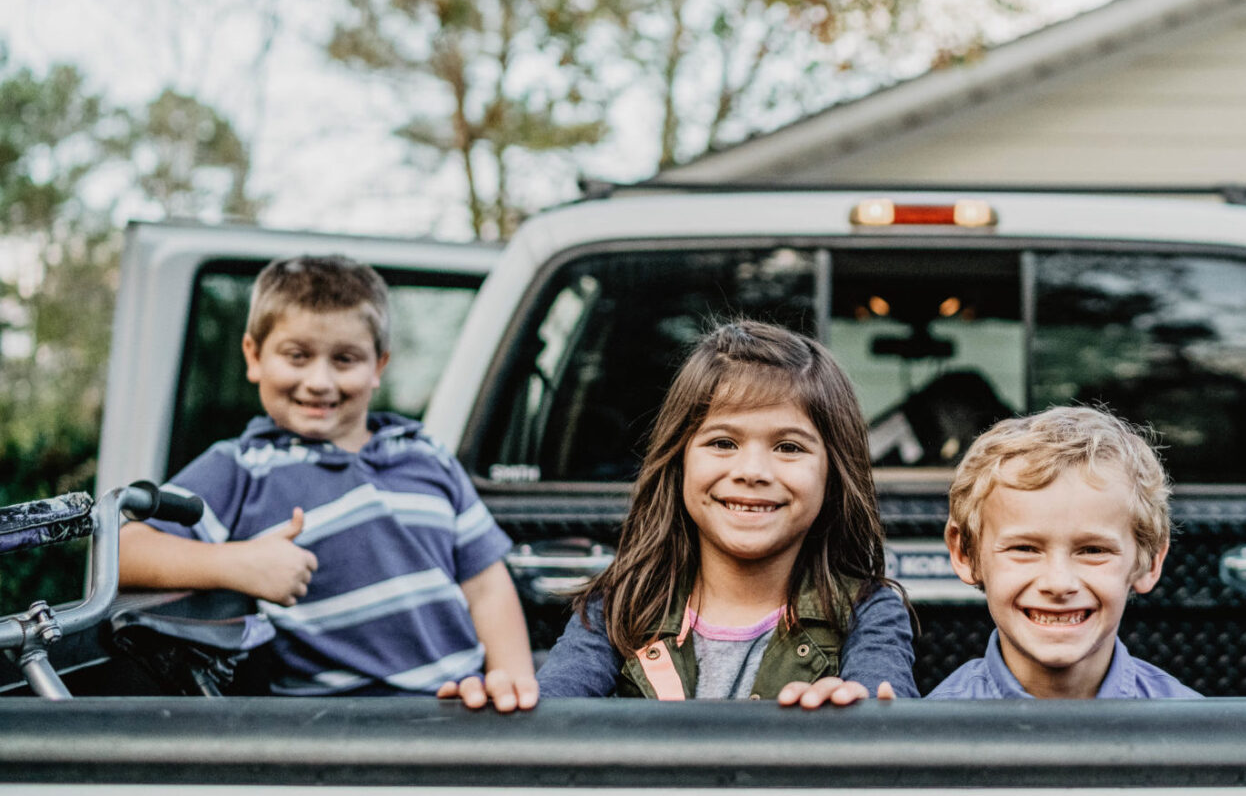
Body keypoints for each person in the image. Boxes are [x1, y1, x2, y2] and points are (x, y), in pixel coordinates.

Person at [120, 255, 534, 706]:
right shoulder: (241, 466)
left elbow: (487, 587)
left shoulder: (425, 455)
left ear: (378, 366)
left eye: (345, 359)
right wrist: (237, 564)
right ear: (254, 356)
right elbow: (124, 552)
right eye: (297, 356)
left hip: (460, 705)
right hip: (332, 728)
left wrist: (512, 681)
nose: (319, 381)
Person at [489, 320, 915, 708]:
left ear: (833, 474)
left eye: (789, 447)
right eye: (723, 443)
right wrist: (497, 707)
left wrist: (854, 711)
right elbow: (548, 713)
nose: (751, 472)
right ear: (679, 461)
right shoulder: (617, 609)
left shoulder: (869, 613)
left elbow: (889, 722)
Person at [930, 406, 1199, 699]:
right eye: (1025, 548)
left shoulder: (1194, 732)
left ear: (1150, 562)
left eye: (1093, 550)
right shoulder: (929, 735)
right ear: (965, 552)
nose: (1059, 584)